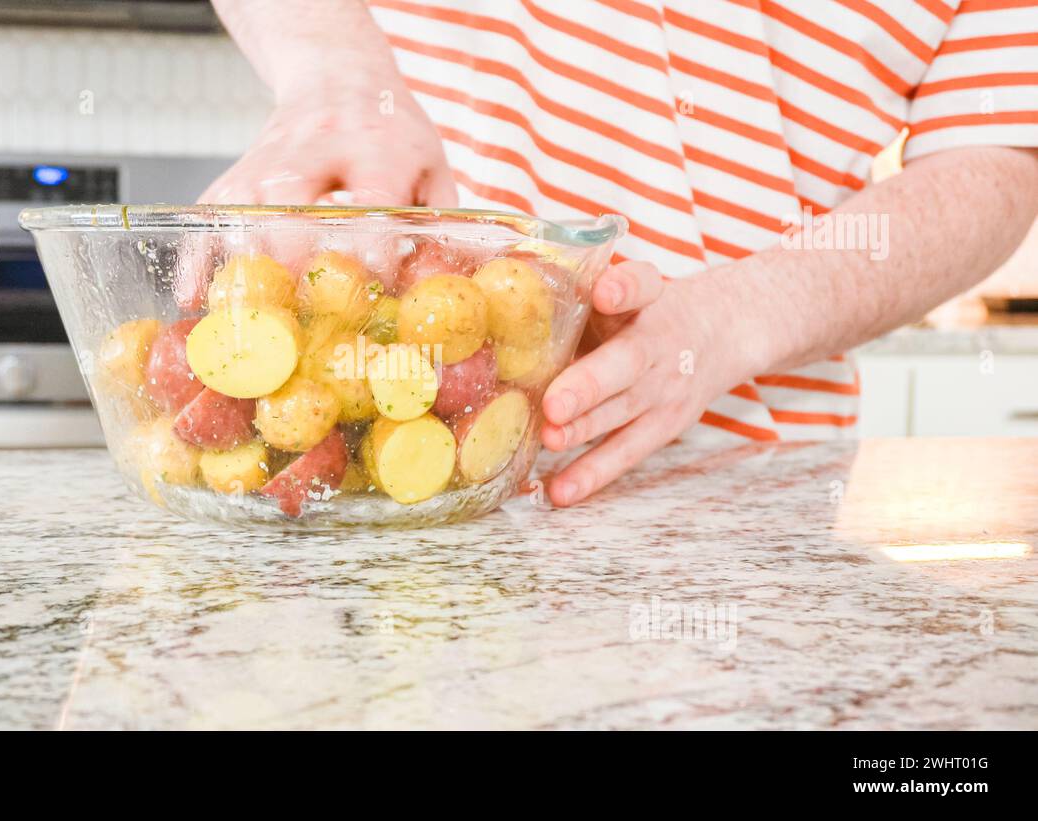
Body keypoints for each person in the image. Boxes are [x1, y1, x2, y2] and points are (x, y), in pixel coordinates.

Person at [203, 0, 1038, 507]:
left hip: (741, 486)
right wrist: (342, 75)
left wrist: (732, 318)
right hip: (363, 445)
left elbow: (997, 159)